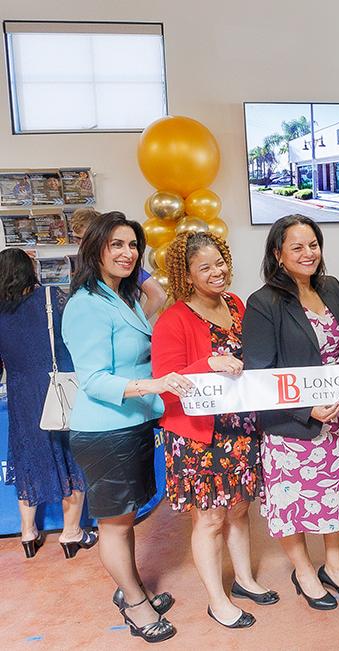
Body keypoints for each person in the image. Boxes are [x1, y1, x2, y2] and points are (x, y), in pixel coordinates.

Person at [63, 211, 191, 643]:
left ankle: (131, 587)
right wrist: (155, 384)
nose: (127, 252)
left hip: (133, 425)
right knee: (115, 524)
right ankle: (135, 603)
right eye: (116, 244)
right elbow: (94, 380)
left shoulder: (124, 297)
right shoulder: (86, 304)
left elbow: (154, 316)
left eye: (133, 245)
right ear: (94, 248)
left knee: (125, 519)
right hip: (104, 432)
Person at [244, 215, 339, 609]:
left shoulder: (331, 288)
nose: (308, 253)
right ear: (278, 254)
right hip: (291, 426)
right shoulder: (263, 302)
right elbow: (259, 376)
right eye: (297, 247)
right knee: (292, 505)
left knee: (336, 496)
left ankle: (334, 566)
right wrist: (307, 409)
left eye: (313, 244)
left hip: (336, 420)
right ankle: (303, 570)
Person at [152, 232, 275, 629]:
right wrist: (209, 363)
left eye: (219, 262)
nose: (217, 272)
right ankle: (217, 600)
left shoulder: (236, 304)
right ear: (186, 275)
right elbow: (165, 382)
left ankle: (244, 580)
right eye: (204, 268)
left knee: (240, 509)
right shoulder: (173, 319)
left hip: (240, 426)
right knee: (209, 519)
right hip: (197, 435)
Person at [0, 248, 95, 559]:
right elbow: (80, 337)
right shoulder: (53, 299)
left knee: (26, 457)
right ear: (31, 270)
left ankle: (28, 533)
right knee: (70, 457)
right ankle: (71, 533)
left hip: (20, 395)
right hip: (58, 390)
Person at [70, 208, 167, 319]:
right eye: (77, 239)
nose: (83, 244)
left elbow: (158, 295)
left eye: (87, 238)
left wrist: (138, 322)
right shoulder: (82, 294)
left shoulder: (124, 265)